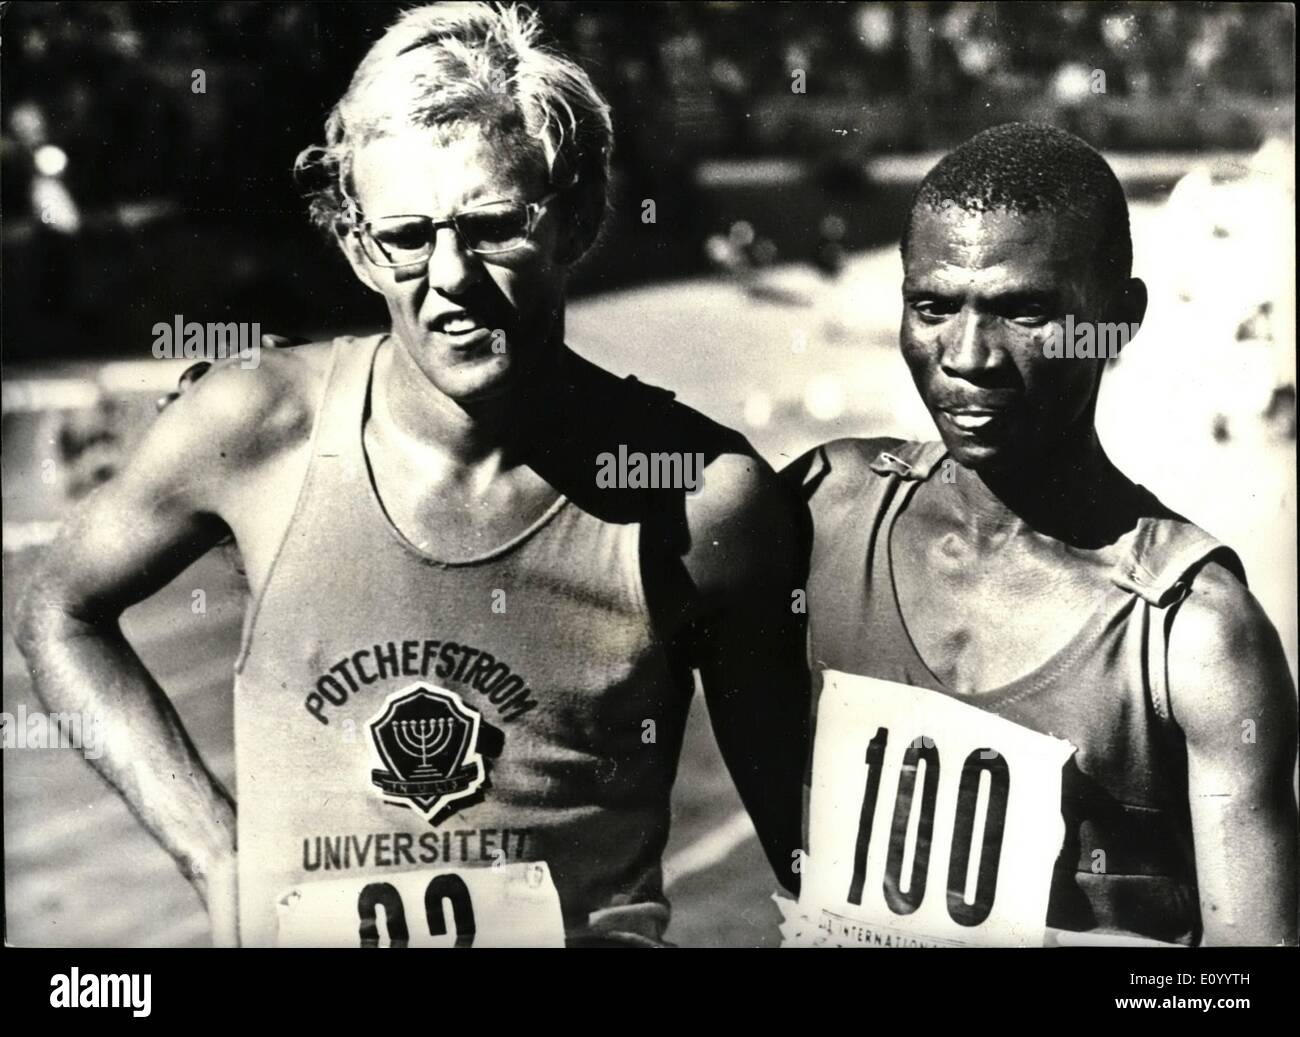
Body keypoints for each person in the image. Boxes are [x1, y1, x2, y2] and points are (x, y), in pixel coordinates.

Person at [15, 2, 808, 948]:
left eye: (494, 225)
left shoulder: (699, 497)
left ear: (579, 219)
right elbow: (58, 609)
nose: (451, 276)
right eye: (405, 237)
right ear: (357, 248)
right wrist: (214, 852)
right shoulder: (256, 425)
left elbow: (807, 855)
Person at [783, 123, 1297, 947]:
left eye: (1024, 311)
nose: (968, 355)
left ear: (1118, 320)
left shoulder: (1192, 635)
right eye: (933, 306)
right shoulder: (828, 512)